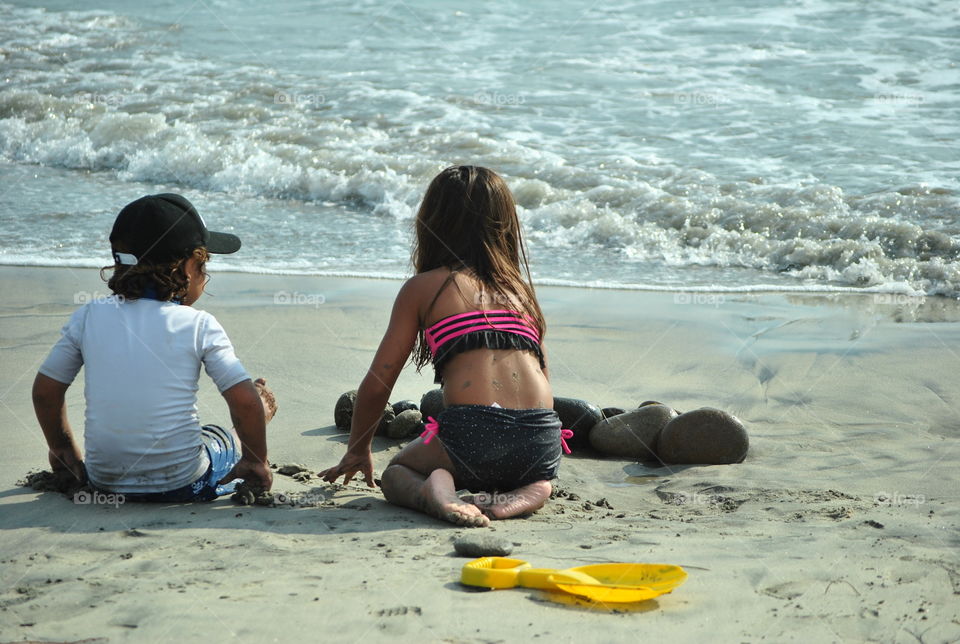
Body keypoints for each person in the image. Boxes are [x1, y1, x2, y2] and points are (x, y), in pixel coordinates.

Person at [320, 166, 568, 528]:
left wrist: (357, 449)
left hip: (472, 433)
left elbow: (379, 382)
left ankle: (437, 490)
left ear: (432, 221)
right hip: (541, 440)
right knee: (507, 465)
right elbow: (544, 380)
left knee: (398, 473)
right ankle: (535, 487)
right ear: (505, 225)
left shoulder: (425, 288)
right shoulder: (520, 293)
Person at [32, 193, 275, 502]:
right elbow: (244, 402)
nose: (205, 276)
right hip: (181, 484)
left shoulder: (88, 316)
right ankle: (245, 450)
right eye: (204, 265)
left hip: (103, 483)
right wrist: (257, 459)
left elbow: (44, 392)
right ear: (187, 267)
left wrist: (63, 450)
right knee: (218, 437)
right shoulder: (199, 324)